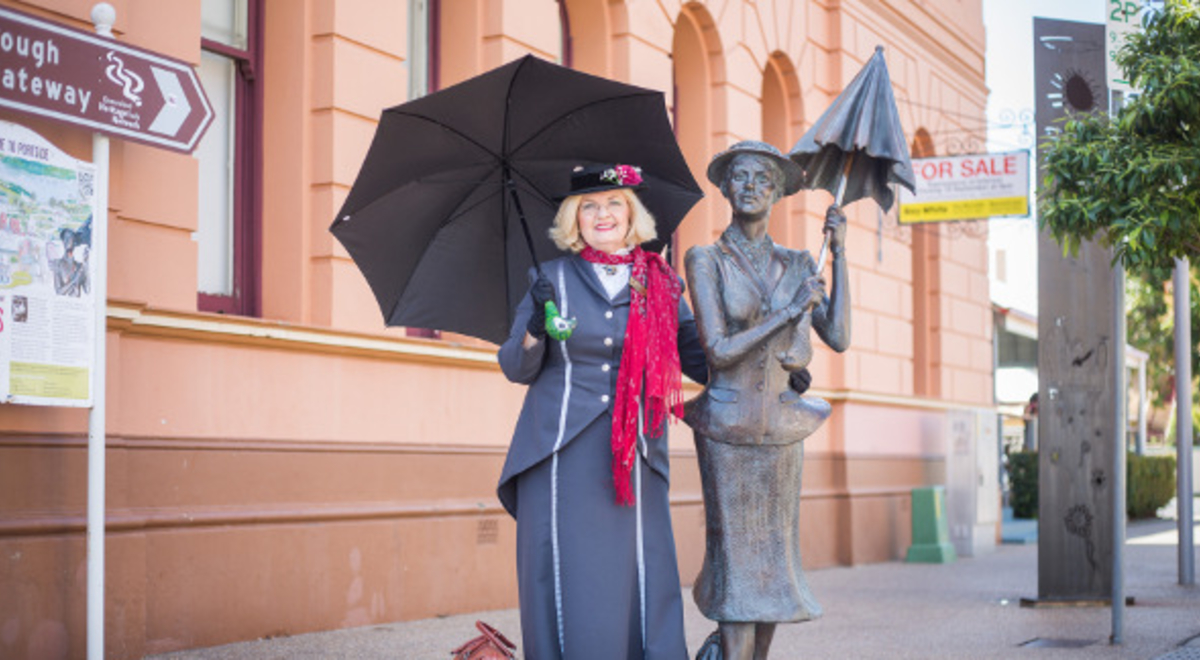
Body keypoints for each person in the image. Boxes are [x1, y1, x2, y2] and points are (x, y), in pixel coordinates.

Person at [497, 163, 709, 660]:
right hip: (557, 452)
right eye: (588, 206)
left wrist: (767, 369)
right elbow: (515, 366)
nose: (602, 214)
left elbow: (699, 357)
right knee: (567, 574)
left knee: (642, 572)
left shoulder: (661, 283)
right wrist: (535, 324)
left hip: (636, 451)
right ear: (574, 218)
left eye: (614, 203)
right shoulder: (548, 279)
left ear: (632, 213)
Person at [684, 141, 851, 660]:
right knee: (736, 574)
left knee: (774, 574)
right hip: (727, 431)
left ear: (778, 191)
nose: (751, 185)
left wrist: (840, 256)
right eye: (740, 176)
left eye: (762, 177)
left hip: (781, 430)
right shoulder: (706, 259)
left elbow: (839, 336)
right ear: (726, 189)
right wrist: (787, 313)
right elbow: (718, 349)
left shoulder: (802, 262)